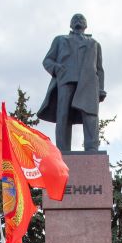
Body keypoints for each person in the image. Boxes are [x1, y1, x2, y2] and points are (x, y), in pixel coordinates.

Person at [37, 13, 106, 152]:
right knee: (63, 115)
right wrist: (57, 68)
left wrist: (100, 89)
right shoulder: (60, 40)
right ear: (70, 24)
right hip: (66, 80)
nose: (78, 20)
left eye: (81, 19)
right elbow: (47, 61)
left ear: (86, 25)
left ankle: (92, 149)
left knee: (91, 115)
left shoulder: (94, 44)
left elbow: (99, 69)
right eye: (75, 18)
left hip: (88, 83)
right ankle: (62, 150)